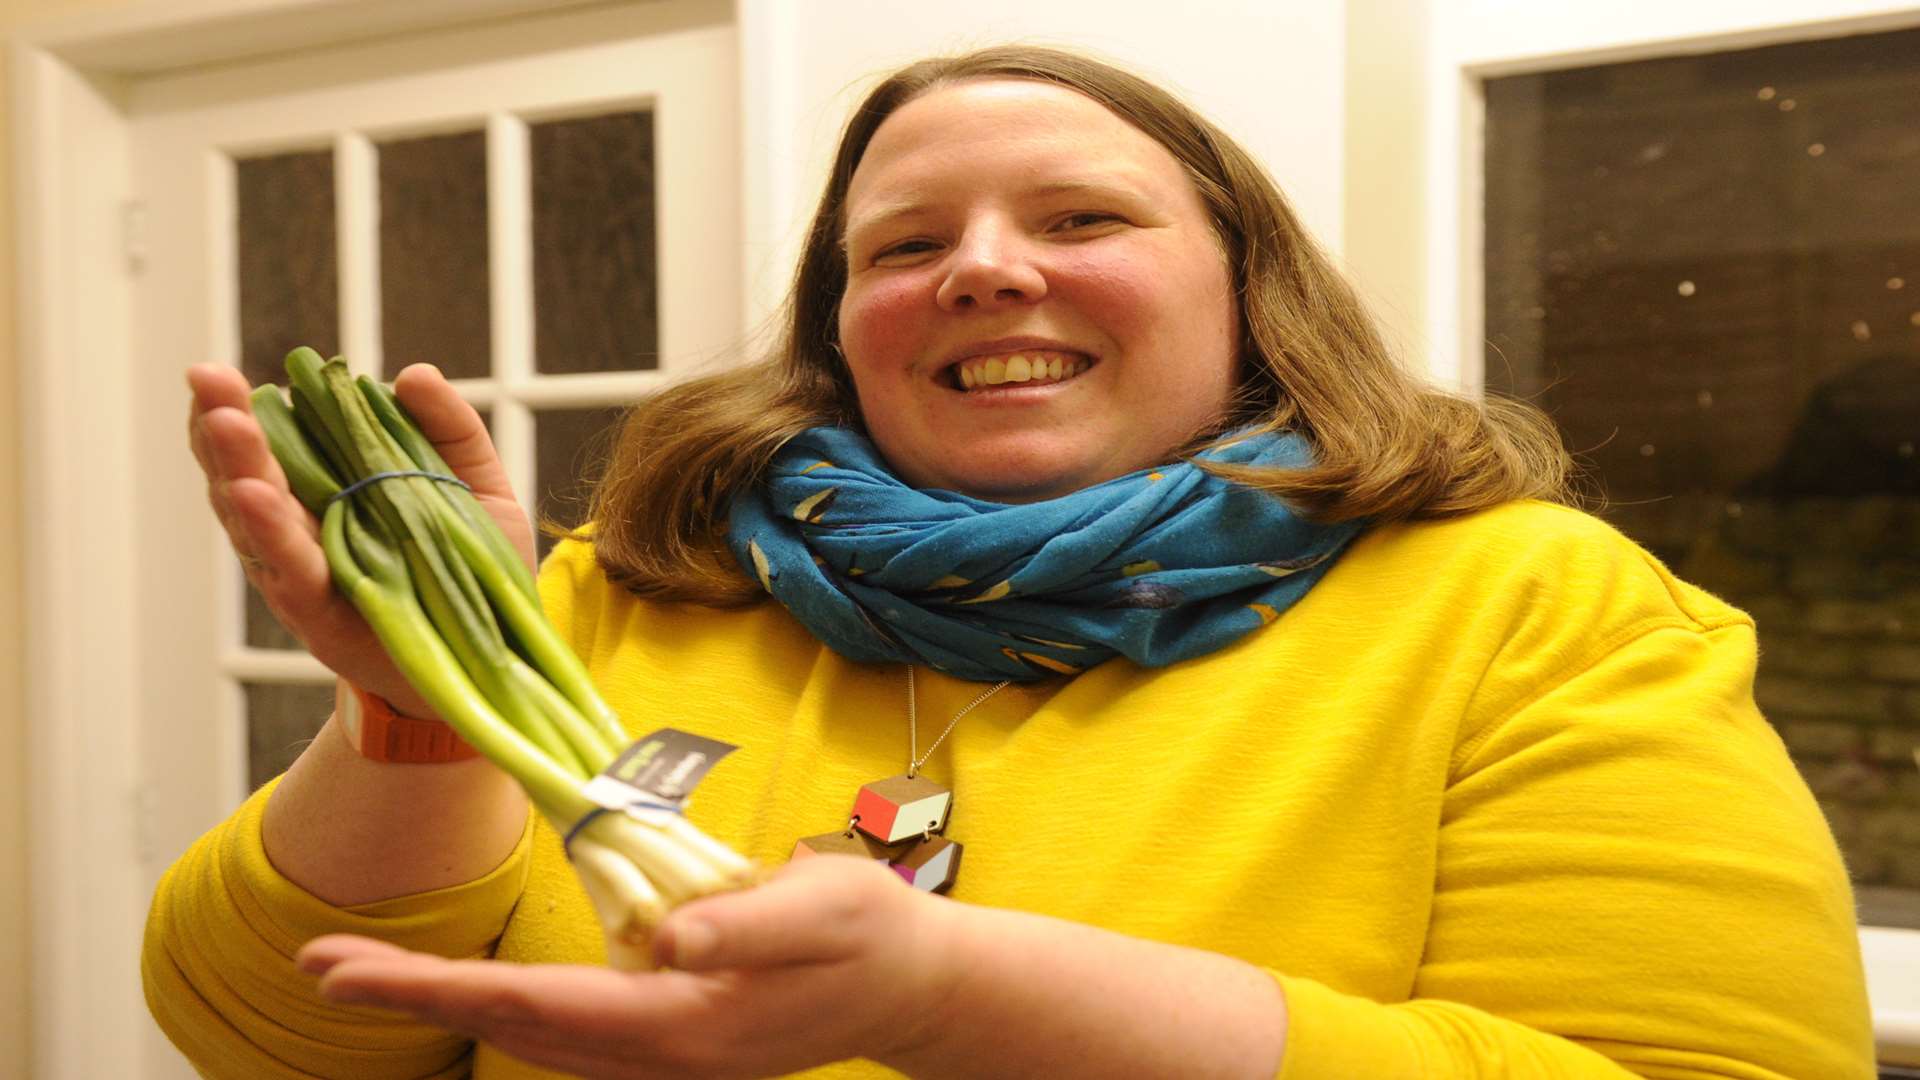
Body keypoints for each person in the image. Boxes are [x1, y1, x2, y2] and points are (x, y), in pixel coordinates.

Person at [148, 45, 1875, 1079]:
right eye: (905, 244)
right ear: (844, 324)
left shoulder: (1525, 608)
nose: (981, 270)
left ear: (1245, 289)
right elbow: (269, 1039)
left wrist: (961, 994)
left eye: (1080, 220)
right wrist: (426, 716)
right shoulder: (625, 590)